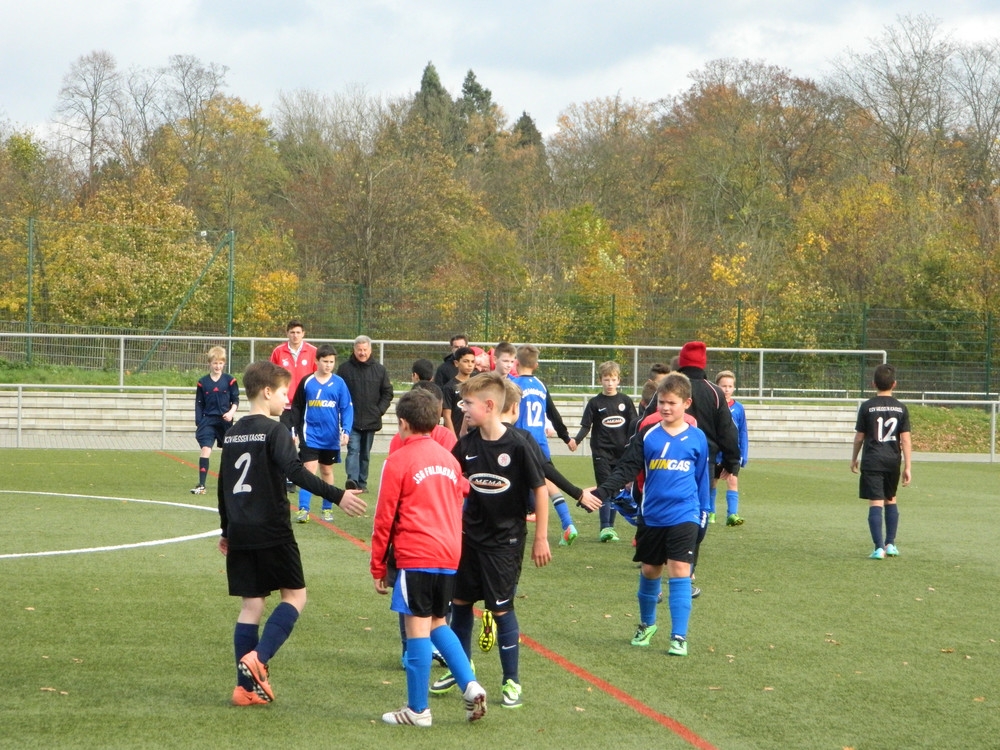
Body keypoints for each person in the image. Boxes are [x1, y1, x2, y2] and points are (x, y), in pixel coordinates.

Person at [217, 361, 366, 706]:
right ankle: (259, 659)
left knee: (251, 605)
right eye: (284, 392)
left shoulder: (233, 434)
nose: (287, 400)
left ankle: (244, 689)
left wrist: (226, 530)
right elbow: (296, 472)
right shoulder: (275, 430)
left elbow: (224, 486)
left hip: (240, 530)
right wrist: (338, 495)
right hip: (272, 529)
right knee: (295, 597)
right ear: (267, 392)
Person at [430, 372, 550, 709]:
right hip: (468, 538)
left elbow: (540, 489)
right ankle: (462, 668)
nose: (463, 409)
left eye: (468, 404)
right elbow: (450, 481)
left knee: (500, 608)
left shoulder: (518, 445)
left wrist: (541, 537)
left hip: (504, 542)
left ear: (489, 406)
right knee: (460, 603)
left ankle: (511, 680)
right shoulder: (467, 444)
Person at [371, 388, 487, 727]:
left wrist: (378, 565)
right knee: (438, 622)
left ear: (403, 423)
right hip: (449, 554)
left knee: (417, 628)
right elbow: (464, 490)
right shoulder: (449, 460)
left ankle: (418, 710)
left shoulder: (398, 460)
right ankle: (470, 684)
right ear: (437, 420)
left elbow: (384, 517)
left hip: (416, 552)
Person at [589, 373, 710, 657]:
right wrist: (602, 491)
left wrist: (704, 512)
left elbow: (702, 478)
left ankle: (678, 636)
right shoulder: (648, 435)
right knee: (650, 570)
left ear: (686, 403)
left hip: (685, 514)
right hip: (653, 515)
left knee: (679, 570)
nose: (665, 408)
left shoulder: (698, 438)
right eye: (662, 402)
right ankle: (647, 624)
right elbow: (626, 468)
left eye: (672, 403)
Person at [509, 345, 579, 545]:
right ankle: (568, 524)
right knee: (548, 483)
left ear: (516, 363)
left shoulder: (512, 384)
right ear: (536, 365)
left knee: (513, 484)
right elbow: (554, 415)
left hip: (519, 442)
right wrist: (566, 438)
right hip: (540, 444)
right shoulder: (541, 385)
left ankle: (512, 530)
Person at [851, 363, 912, 559]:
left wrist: (854, 458)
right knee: (891, 499)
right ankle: (891, 544)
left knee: (875, 503)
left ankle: (878, 548)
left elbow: (859, 437)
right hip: (892, 460)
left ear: (873, 384)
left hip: (872, 460)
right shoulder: (901, 408)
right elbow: (905, 440)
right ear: (894, 384)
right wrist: (908, 466)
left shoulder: (867, 407)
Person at [574, 361, 639, 541]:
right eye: (606, 379)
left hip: (621, 454)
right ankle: (605, 528)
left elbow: (634, 424)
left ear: (618, 380)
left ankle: (610, 528)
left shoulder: (625, 401)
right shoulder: (595, 403)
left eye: (613, 379)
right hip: (601, 453)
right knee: (605, 487)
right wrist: (576, 441)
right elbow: (586, 426)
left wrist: (634, 446)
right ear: (600, 380)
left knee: (615, 489)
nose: (609, 383)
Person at [289, 344, 353, 523]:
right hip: (310, 435)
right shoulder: (307, 381)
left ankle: (327, 508)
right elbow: (296, 407)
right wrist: (294, 429)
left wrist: (346, 430)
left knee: (326, 470)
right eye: (325, 361)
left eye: (331, 362)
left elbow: (347, 408)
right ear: (316, 361)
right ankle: (303, 509)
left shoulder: (339, 383)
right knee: (308, 470)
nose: (328, 365)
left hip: (330, 437)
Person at [337, 335, 393, 492]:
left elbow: (387, 393)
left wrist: (379, 410)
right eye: (359, 350)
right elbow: (338, 392)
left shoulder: (380, 370)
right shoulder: (344, 369)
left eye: (365, 350)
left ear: (370, 350)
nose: (362, 353)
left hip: (371, 419)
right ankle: (352, 480)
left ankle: (362, 482)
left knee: (365, 454)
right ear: (354, 350)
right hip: (351, 420)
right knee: (353, 450)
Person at [191, 346, 239, 495]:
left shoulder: (230, 380)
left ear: (224, 363)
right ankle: (201, 485)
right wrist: (199, 422)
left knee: (229, 452)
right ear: (209, 363)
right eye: (215, 363)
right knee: (206, 449)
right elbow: (199, 403)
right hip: (208, 421)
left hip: (225, 421)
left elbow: (235, 400)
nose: (217, 366)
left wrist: (230, 413)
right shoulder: (203, 382)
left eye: (220, 363)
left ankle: (230, 482)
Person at [269, 320, 317, 434]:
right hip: (285, 405)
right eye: (292, 332)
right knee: (287, 438)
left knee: (305, 437)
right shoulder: (278, 351)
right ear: (287, 333)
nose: (295, 335)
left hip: (306, 403)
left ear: (303, 333)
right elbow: (271, 376)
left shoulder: (313, 351)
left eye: (298, 332)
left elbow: (317, 376)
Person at [713, 370, 748, 526]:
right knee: (712, 482)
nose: (727, 389)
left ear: (734, 388)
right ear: (716, 387)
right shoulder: (713, 406)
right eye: (723, 386)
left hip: (732, 453)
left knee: (732, 481)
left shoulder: (738, 408)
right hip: (715, 452)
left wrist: (743, 454)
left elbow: (743, 432)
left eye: (730, 386)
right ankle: (710, 512)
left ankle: (732, 514)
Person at [441, 346, 477, 436]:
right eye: (466, 361)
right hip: (456, 434)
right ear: (456, 363)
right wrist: (454, 439)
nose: (470, 365)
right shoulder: (449, 387)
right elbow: (447, 416)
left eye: (472, 361)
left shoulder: (477, 385)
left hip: (474, 435)